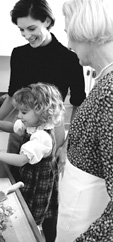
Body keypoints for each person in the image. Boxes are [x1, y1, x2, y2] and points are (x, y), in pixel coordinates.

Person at [0, 1, 86, 240]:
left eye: (31, 28)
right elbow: (13, 95)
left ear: (47, 21)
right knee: (14, 186)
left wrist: (66, 144)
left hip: (52, 133)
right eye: (21, 30)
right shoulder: (19, 54)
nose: (26, 35)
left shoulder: (69, 58)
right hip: (21, 124)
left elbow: (79, 102)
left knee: (46, 201)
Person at [0, 82, 65, 231]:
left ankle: (33, 230)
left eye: (24, 112)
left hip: (37, 183)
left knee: (30, 216)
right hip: (28, 176)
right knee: (22, 206)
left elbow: (21, 160)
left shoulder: (42, 137)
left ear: (42, 111)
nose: (19, 116)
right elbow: (14, 128)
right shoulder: (34, 125)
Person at [55, 0, 113, 241]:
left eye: (70, 35)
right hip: (76, 210)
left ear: (86, 32)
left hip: (85, 223)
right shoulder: (104, 82)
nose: (68, 45)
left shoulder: (109, 94)